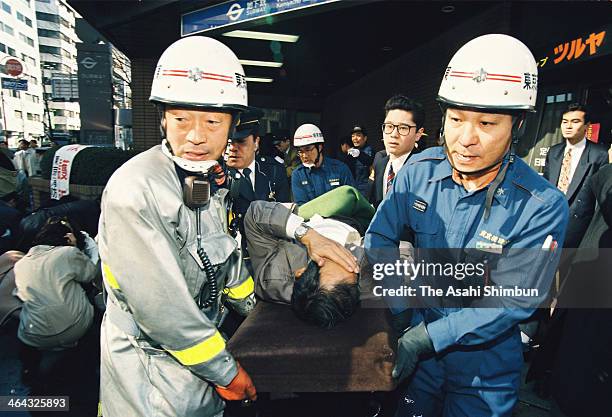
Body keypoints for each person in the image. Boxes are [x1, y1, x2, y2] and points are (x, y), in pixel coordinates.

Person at [365, 34, 568, 417]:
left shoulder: (541, 205)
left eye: (486, 123)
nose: (465, 139)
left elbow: (513, 300)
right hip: (417, 350)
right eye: (456, 119)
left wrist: (429, 337)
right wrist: (399, 304)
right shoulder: (418, 174)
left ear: (518, 125)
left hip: (484, 370)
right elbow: (380, 234)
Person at [97, 37, 258, 417]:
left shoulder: (207, 180)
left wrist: (259, 309)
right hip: (148, 374)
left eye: (213, 122)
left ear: (232, 125)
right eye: (182, 119)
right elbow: (162, 311)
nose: (197, 136)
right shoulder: (135, 189)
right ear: (163, 118)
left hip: (202, 358)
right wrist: (227, 372)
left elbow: (224, 258)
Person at [244, 196, 361, 328]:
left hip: (310, 218)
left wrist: (309, 236)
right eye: (352, 265)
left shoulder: (273, 275)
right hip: (352, 222)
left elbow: (255, 213)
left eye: (336, 258)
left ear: (301, 272)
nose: (344, 255)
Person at [14, 217, 98, 349]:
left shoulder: (20, 265)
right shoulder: (68, 253)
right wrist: (75, 247)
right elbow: (90, 274)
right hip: (76, 327)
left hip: (33, 336)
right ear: (67, 237)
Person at [543, 103, 609, 249]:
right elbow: (546, 189)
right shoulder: (554, 152)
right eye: (565, 122)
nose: (568, 126)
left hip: (578, 232)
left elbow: (600, 202)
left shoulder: (599, 154)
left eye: (575, 122)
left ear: (587, 126)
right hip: (549, 224)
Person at [226, 108, 290, 253]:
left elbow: (284, 214)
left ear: (256, 143)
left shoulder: (274, 170)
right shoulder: (217, 176)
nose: (232, 149)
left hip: (270, 251)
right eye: (228, 142)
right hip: (235, 255)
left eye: (240, 142)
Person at [370, 95, 424, 208]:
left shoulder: (425, 169)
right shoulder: (380, 164)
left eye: (403, 128)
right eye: (389, 126)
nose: (394, 134)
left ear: (418, 134)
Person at [291, 123, 355, 205]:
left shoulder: (340, 169)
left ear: (320, 147)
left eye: (308, 149)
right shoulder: (298, 174)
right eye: (300, 151)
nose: (304, 155)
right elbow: (302, 206)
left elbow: (351, 199)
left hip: (339, 217)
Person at [346, 125, 374, 196]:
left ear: (365, 138)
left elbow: (370, 160)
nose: (355, 138)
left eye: (358, 135)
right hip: (352, 188)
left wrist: (360, 154)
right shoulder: (351, 151)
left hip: (364, 190)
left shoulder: (369, 150)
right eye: (353, 136)